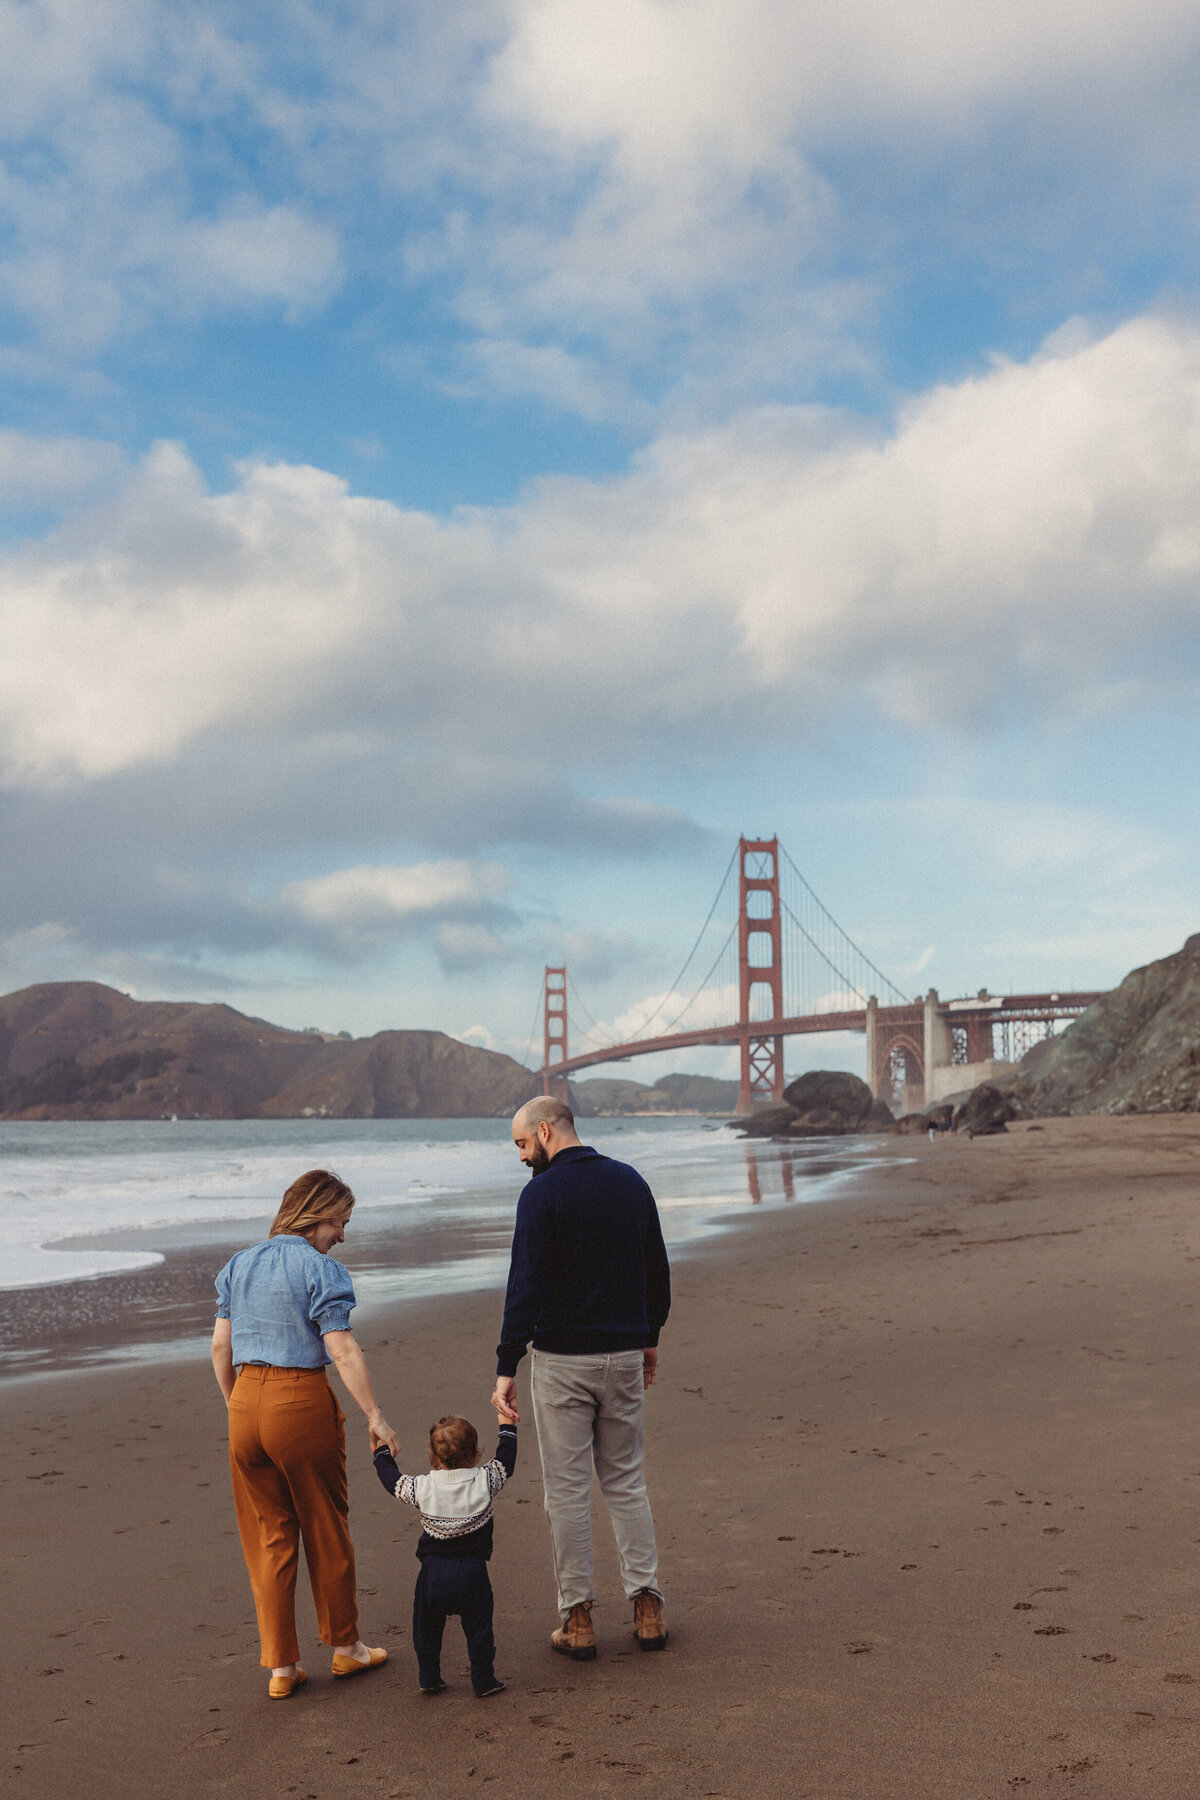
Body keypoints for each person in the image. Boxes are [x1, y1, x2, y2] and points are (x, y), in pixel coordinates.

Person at [491, 1095, 671, 1660]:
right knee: (626, 1483)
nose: (522, 1157)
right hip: (622, 1354)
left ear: (545, 1132)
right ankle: (647, 1608)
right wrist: (649, 1337)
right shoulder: (630, 1182)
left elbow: (525, 1284)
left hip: (564, 1362)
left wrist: (505, 1364)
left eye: (522, 1144)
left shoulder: (541, 1194)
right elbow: (655, 1269)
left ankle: (579, 1619)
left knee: (566, 1492)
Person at [211, 1168, 399, 1699]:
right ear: (318, 1216)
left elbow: (220, 1350)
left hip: (244, 1404)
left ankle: (281, 1668)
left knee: (269, 1536)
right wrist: (375, 1417)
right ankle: (346, 1650)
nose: (343, 1234)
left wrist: (237, 1405)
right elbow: (341, 1349)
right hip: (299, 1401)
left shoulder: (238, 1264)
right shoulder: (322, 1270)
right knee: (324, 1524)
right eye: (341, 1221)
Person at [373, 1411, 517, 1698]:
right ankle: (484, 1680)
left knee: (426, 1629)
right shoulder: (486, 1480)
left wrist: (380, 1452)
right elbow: (507, 1459)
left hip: (433, 1575)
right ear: (475, 1454)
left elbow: (392, 1481)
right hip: (473, 1573)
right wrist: (507, 1425)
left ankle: (429, 1676)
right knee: (479, 1630)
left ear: (433, 1456)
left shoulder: (423, 1487)